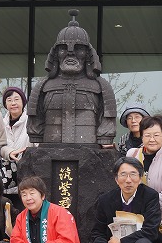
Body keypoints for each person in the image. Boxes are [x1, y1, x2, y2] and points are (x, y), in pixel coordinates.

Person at [27, 10, 116, 145]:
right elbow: (36, 124)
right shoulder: (42, 87)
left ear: (88, 54)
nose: (71, 54)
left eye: (78, 49)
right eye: (64, 49)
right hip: (49, 150)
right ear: (56, 53)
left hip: (90, 152)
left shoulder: (101, 86)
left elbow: (107, 126)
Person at [126, 115, 162, 238]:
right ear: (141, 135)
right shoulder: (132, 154)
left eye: (156, 135)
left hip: (160, 220)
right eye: (147, 135)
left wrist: (145, 209)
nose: (152, 139)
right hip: (133, 218)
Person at [1, 86, 33, 203]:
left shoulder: (31, 122)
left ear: (23, 102)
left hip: (27, 177)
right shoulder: (1, 124)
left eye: (16, 99)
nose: (13, 103)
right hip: (5, 180)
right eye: (9, 100)